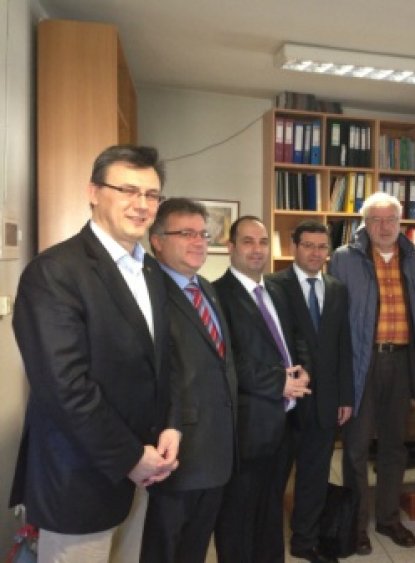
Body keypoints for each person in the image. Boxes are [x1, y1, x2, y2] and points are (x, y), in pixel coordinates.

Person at [9, 145, 179, 562]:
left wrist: (170, 426)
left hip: (143, 471)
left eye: (151, 195)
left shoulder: (151, 271)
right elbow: (64, 387)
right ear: (93, 192)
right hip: (79, 479)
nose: (141, 205)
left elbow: (162, 363)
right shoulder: (54, 272)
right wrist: (130, 457)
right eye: (127, 190)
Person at [329, 191, 415, 555]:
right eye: (376, 220)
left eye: (391, 220)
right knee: (356, 447)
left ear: (401, 223)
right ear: (365, 223)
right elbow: (334, 317)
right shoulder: (344, 258)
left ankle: (388, 518)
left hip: (401, 361)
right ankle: (357, 525)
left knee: (394, 445)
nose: (384, 227)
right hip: (362, 361)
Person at [141, 198, 237, 563]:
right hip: (177, 452)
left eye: (203, 234)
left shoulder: (206, 288)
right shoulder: (150, 293)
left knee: (194, 549)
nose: (198, 241)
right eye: (186, 233)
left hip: (217, 449)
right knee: (164, 549)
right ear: (157, 240)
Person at [212, 216, 311, 563]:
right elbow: (226, 359)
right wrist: (278, 382)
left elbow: (293, 339)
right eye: (248, 241)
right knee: (238, 516)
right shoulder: (217, 294)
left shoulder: (276, 291)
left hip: (284, 424)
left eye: (263, 242)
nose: (257, 250)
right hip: (248, 426)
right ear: (231, 247)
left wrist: (302, 369)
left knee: (270, 511)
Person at [267, 220, 354, 563]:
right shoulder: (272, 286)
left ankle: (304, 541)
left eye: (322, 247)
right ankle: (266, 542)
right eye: (308, 246)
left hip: (326, 402)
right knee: (274, 479)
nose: (316, 253)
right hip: (284, 402)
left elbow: (343, 346)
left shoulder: (337, 289)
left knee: (314, 476)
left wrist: (345, 396)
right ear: (294, 247)